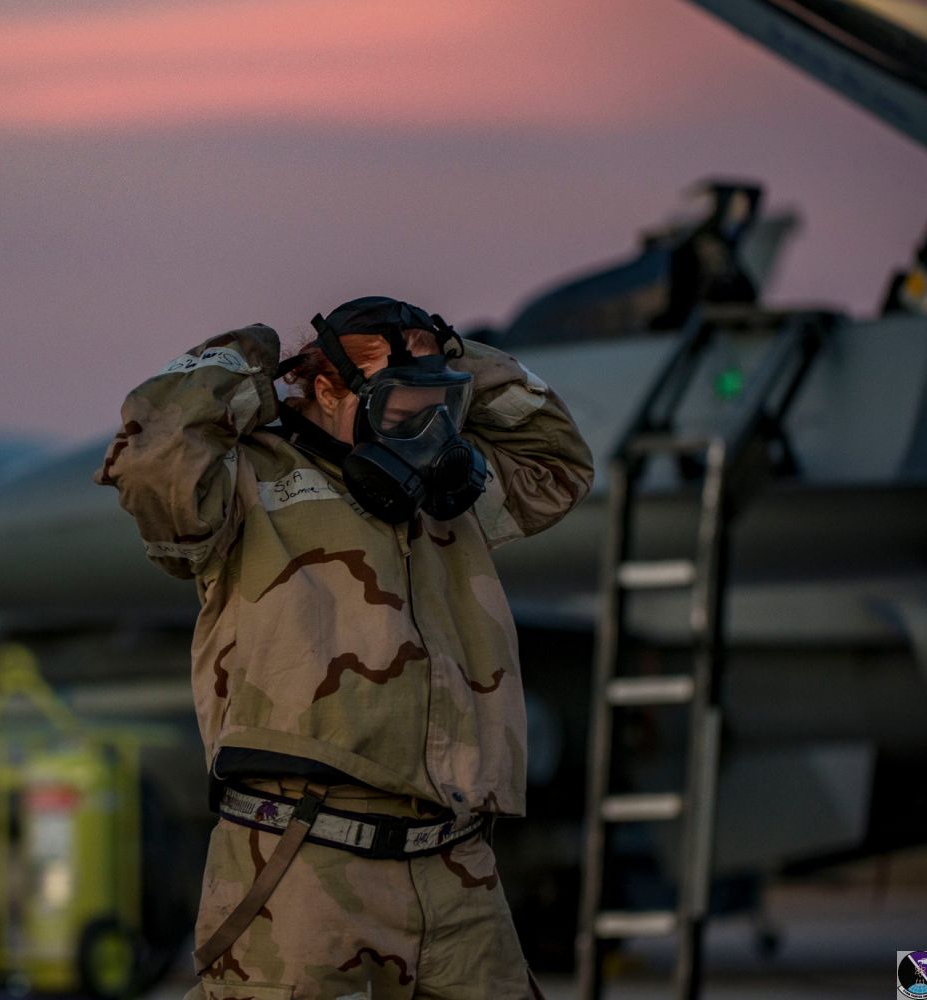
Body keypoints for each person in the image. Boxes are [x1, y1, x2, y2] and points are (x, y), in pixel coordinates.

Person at [94, 296, 593, 999]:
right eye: (401, 406)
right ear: (327, 389)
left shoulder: (444, 488)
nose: (426, 426)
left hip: (454, 868)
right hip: (299, 860)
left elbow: (560, 464)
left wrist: (453, 362)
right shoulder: (244, 481)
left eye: (439, 405)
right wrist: (251, 361)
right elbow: (155, 462)